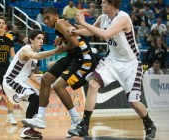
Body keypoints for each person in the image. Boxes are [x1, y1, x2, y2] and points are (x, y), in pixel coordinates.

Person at [67, 0, 156, 139]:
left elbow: (105, 34)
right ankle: (84, 126)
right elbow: (90, 32)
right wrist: (76, 31)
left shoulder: (123, 18)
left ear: (112, 4)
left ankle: (149, 124)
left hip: (130, 64)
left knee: (133, 101)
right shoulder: (103, 18)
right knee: (93, 84)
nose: (101, 5)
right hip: (112, 60)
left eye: (103, 3)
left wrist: (84, 22)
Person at [21, 7, 97, 138]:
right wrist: (60, 37)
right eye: (44, 19)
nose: (45, 21)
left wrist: (60, 49)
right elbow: (69, 36)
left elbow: (73, 43)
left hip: (83, 58)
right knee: (45, 79)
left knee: (57, 86)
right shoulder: (60, 23)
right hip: (72, 57)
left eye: (48, 18)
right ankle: (40, 117)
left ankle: (76, 120)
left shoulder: (59, 23)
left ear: (56, 16)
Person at [3, 29, 63, 139]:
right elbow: (36, 56)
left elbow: (31, 76)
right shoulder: (26, 50)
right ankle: (25, 129)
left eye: (43, 39)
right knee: (35, 98)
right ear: (31, 40)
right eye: (38, 38)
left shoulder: (34, 59)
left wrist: (45, 87)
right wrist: (55, 51)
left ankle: (28, 129)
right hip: (11, 81)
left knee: (41, 99)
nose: (41, 41)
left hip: (21, 82)